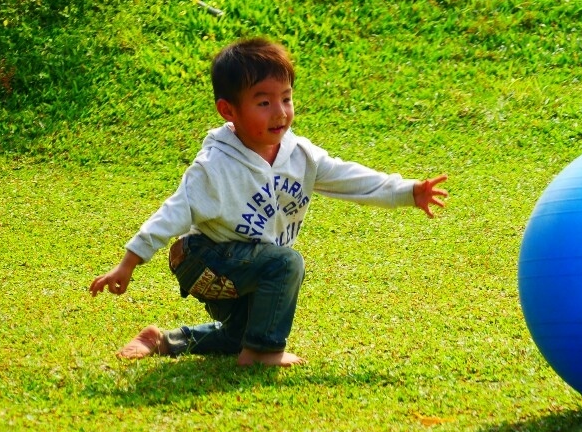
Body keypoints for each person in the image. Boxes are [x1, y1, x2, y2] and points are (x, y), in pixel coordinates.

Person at [89, 38, 448, 367]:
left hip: (250, 262)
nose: (280, 112)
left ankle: (164, 340)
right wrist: (129, 262)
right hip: (202, 259)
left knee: (237, 333)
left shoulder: (300, 155)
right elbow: (173, 212)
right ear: (228, 110)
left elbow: (350, 178)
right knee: (286, 263)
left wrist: (408, 191)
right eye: (264, 102)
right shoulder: (215, 166)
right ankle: (262, 352)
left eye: (286, 98)